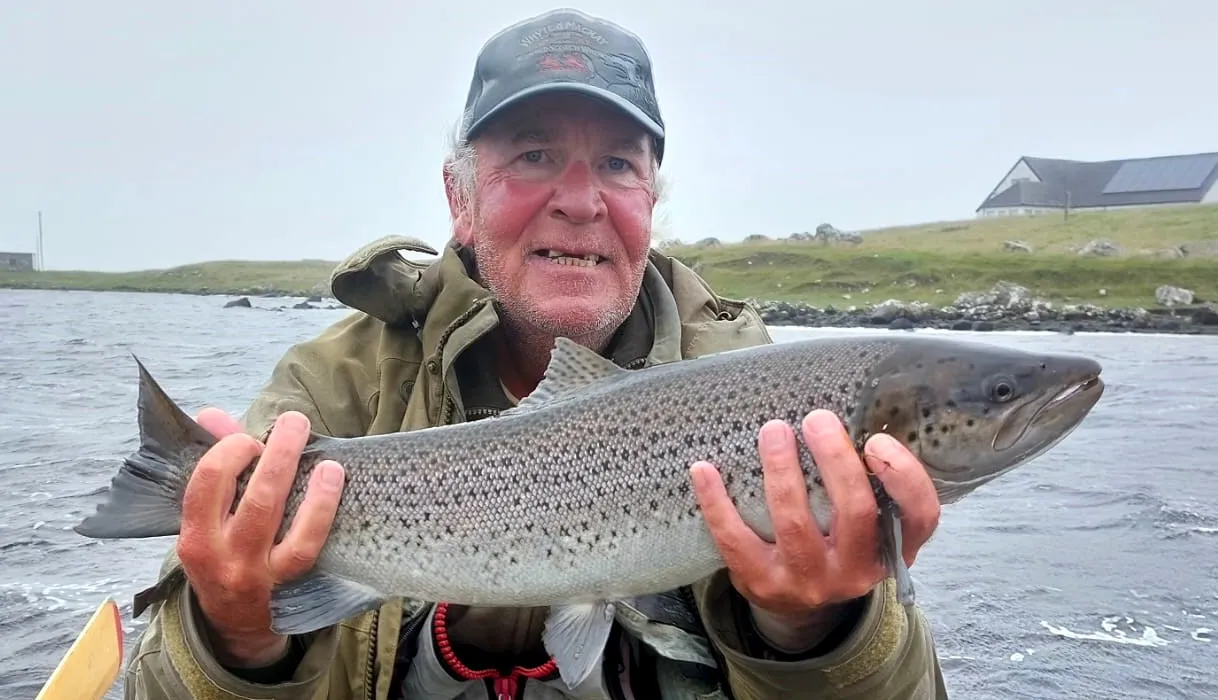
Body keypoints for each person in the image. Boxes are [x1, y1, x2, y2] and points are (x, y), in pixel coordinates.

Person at [120, 8, 948, 700]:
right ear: (461, 200)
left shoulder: (764, 397)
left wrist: (818, 630)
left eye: (618, 164)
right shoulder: (337, 386)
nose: (580, 202)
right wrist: (233, 635)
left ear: (648, 204)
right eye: (534, 155)